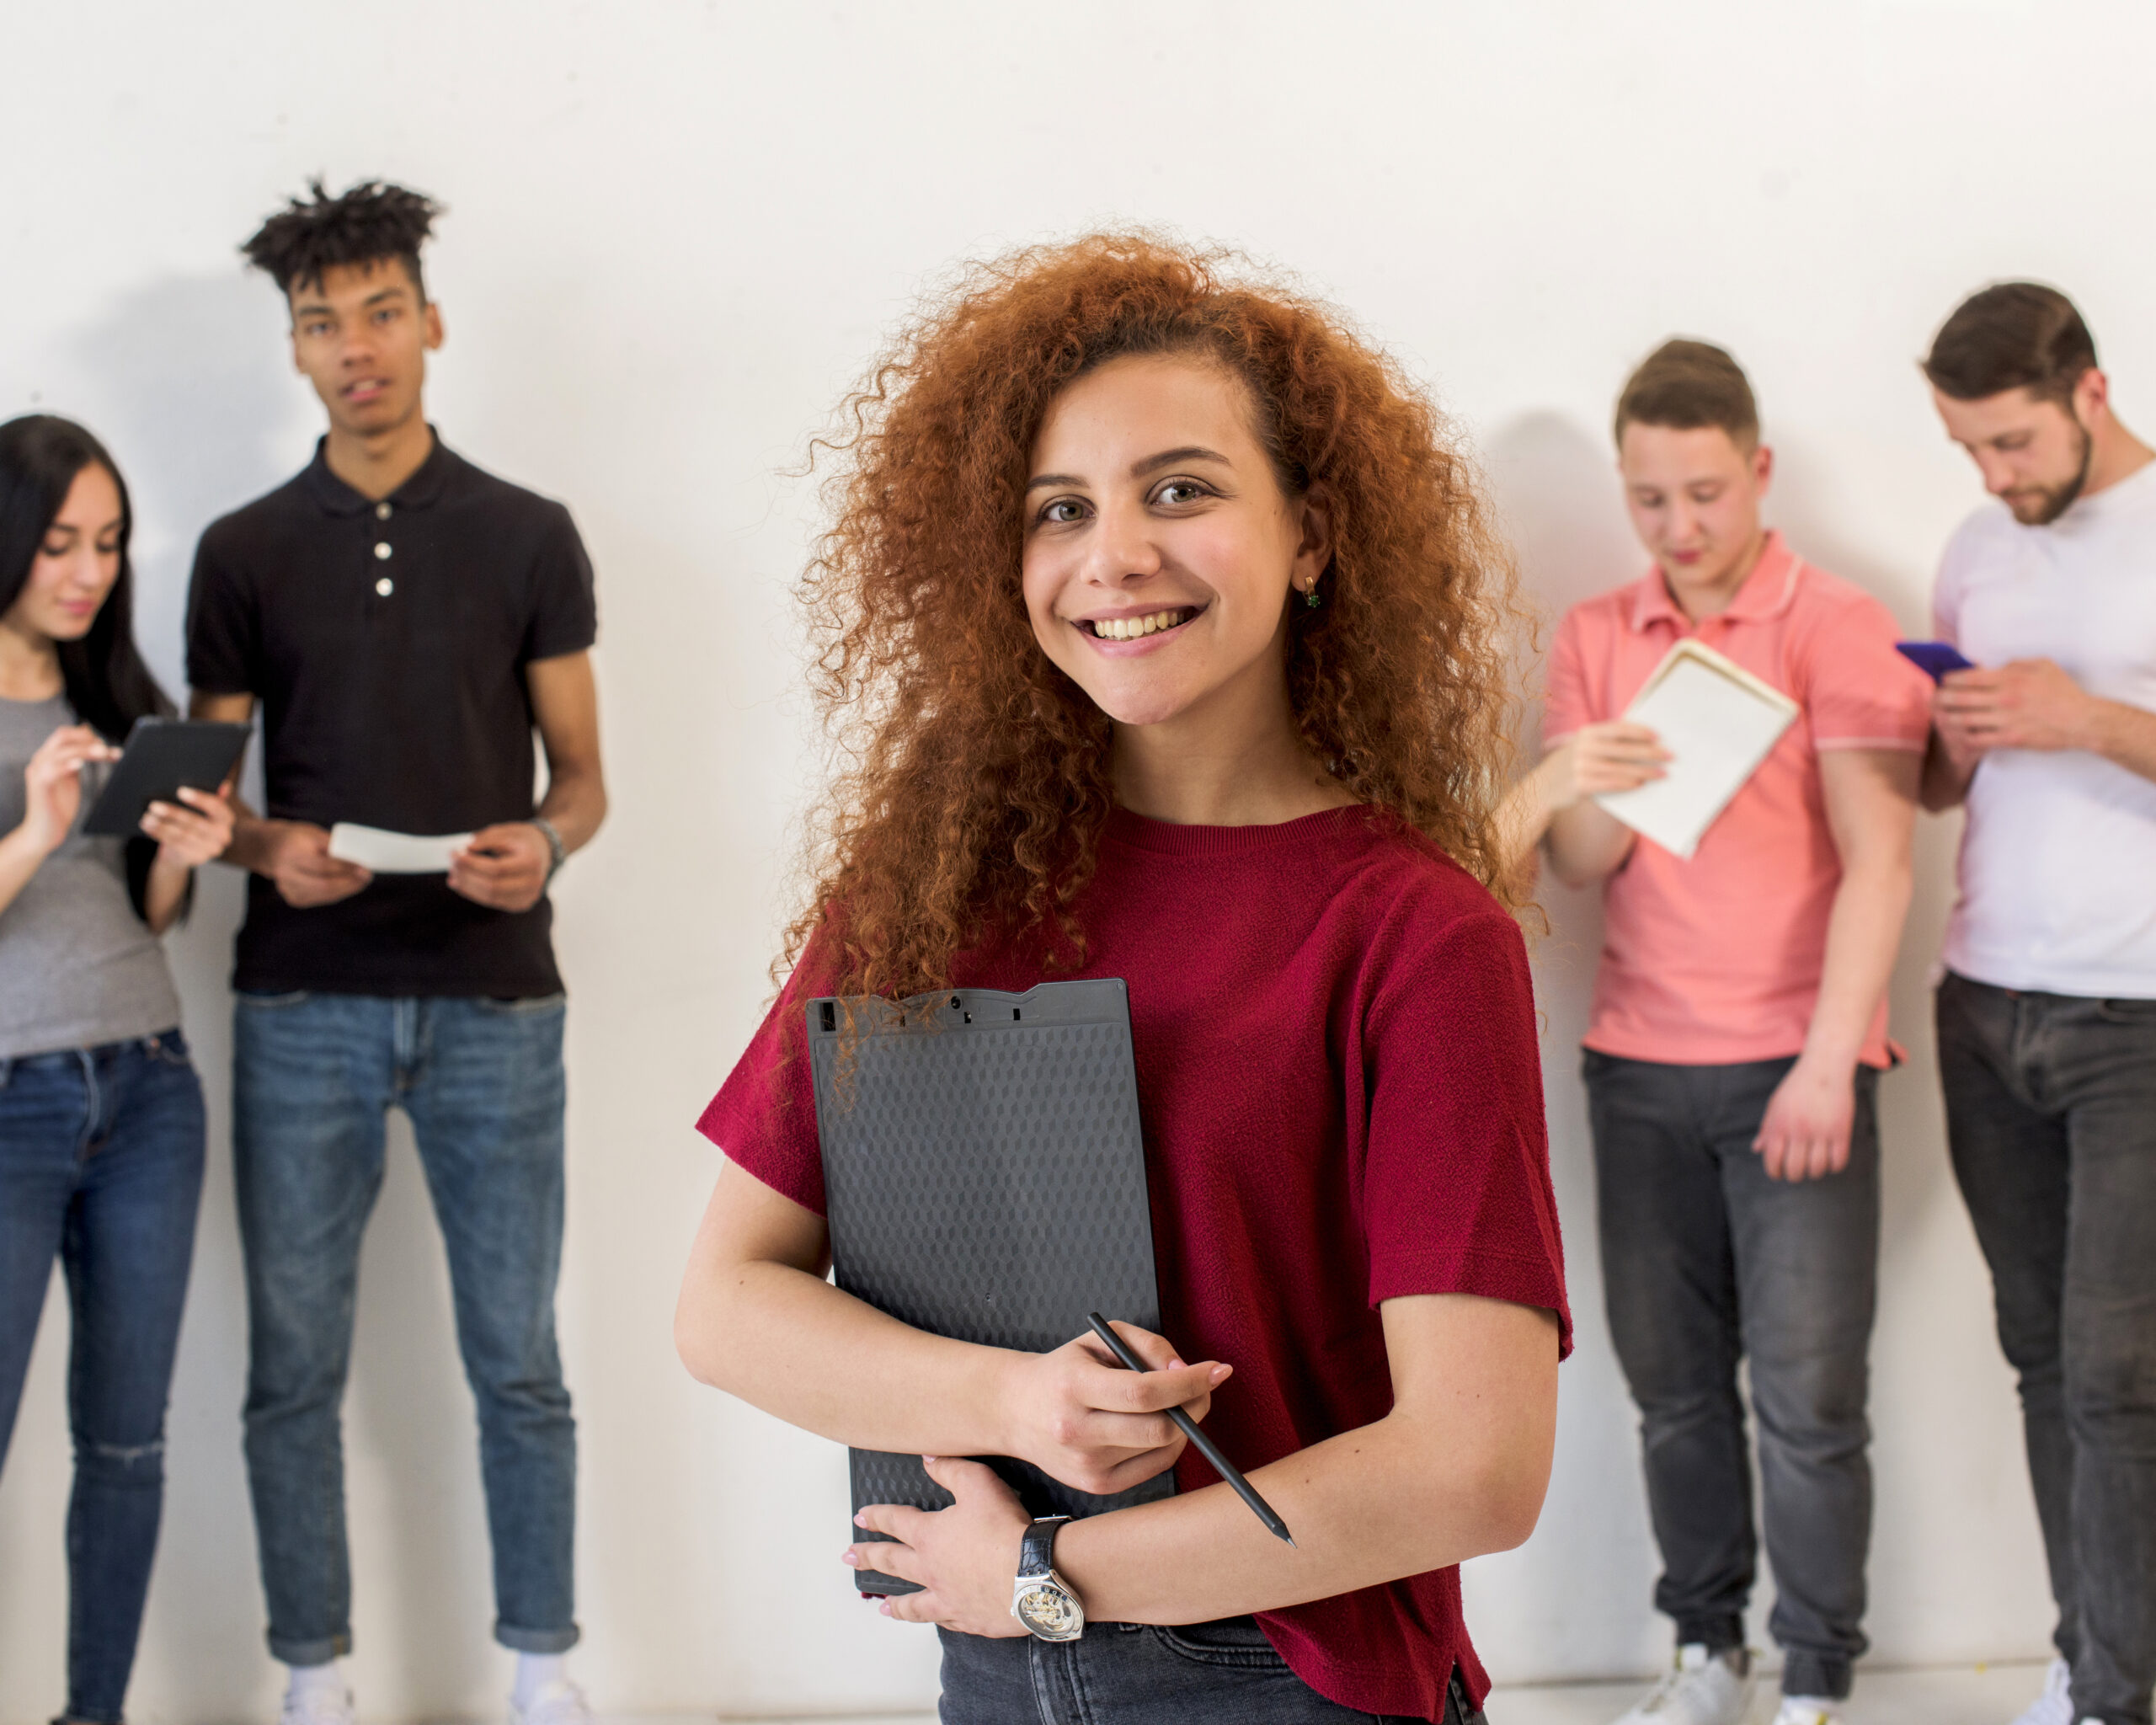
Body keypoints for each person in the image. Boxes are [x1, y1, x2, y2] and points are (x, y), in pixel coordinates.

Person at [674, 234, 1570, 1725]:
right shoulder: (928, 895)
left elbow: (1475, 1468)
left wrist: (1059, 1573)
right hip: (996, 1656)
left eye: (1183, 489)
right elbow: (726, 1307)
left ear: (1313, 535)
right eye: (1059, 510)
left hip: (1289, 1678)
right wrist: (1016, 1411)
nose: (1117, 555)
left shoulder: (1416, 934)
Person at [184, 180, 607, 1725]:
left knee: (521, 1360)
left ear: (429, 322)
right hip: (300, 1002)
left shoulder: (527, 535)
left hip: (498, 1001)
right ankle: (316, 1677)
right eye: (319, 322)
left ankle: (543, 1666)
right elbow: (201, 801)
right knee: (293, 1370)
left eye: (378, 312)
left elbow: (586, 782)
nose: (353, 346)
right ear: (292, 350)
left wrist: (543, 849)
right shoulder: (239, 553)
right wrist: (263, 846)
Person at [1497, 341, 1930, 1725]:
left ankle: (1813, 1677)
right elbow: (1573, 866)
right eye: (1649, 502)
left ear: (1757, 470)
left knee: (1809, 1403)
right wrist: (1581, 771)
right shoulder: (1596, 638)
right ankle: (1705, 1655)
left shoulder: (1838, 625)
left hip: (1797, 1073)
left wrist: (1827, 1058)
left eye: (1702, 492)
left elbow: (1883, 862)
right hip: (1636, 1073)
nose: (1680, 529)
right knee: (1673, 1392)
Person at [1919, 282, 2156, 1725]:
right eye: (1968, 453)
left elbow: (2080, 735)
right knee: (2044, 1361)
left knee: (2124, 1386)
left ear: (2088, 391)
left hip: (2139, 1017)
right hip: (1987, 1005)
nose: (1995, 482)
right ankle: (2094, 1665)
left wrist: (2092, 720)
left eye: (2011, 445)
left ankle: (2123, 1697)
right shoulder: (1973, 550)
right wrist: (1956, 742)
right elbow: (1960, 786)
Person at [0, 414, 235, 1725]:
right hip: (12, 1102)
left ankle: (94, 1716)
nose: (86, 571)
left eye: (108, 544)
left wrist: (178, 855)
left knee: (127, 1443)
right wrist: (35, 829)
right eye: (57, 543)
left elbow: (139, 921)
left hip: (147, 1086)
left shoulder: (114, 693)